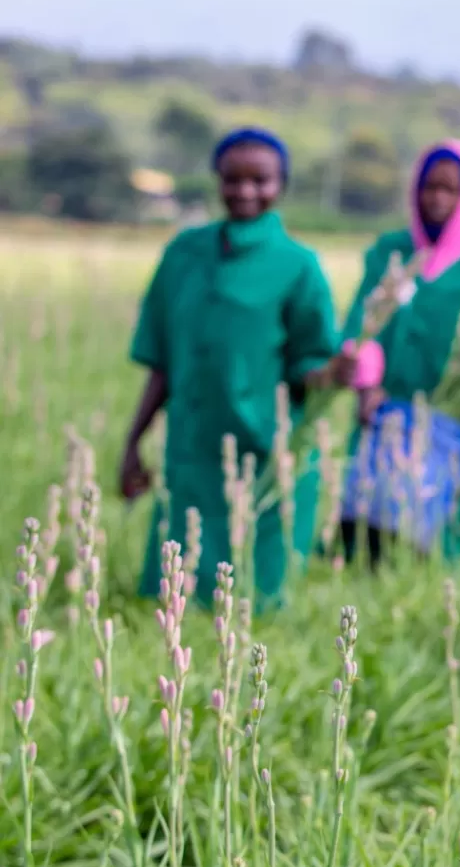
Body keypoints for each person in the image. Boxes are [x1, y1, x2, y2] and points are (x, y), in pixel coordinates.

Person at [121, 126, 353, 605]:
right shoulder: (184, 254)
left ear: (281, 185)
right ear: (217, 181)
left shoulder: (298, 265)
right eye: (233, 179)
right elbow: (162, 363)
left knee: (255, 604)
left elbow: (309, 362)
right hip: (191, 450)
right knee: (170, 600)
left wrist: (335, 373)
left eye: (260, 180)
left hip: (266, 454)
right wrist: (133, 442)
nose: (245, 191)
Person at [337, 140, 460, 566]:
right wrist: (367, 385)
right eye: (428, 187)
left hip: (453, 419)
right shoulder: (392, 252)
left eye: (450, 190)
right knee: (371, 518)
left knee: (439, 524)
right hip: (387, 408)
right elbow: (365, 322)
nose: (436, 198)